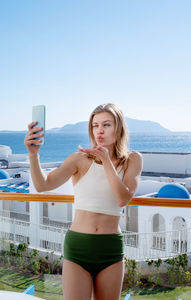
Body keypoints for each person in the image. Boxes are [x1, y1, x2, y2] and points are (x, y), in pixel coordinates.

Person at [24, 103, 142, 300]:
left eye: (106, 125)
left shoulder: (133, 160)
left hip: (110, 249)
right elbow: (43, 185)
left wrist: (105, 161)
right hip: (77, 247)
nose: (100, 131)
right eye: (95, 125)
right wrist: (33, 154)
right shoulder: (79, 159)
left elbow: (123, 198)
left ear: (119, 128)